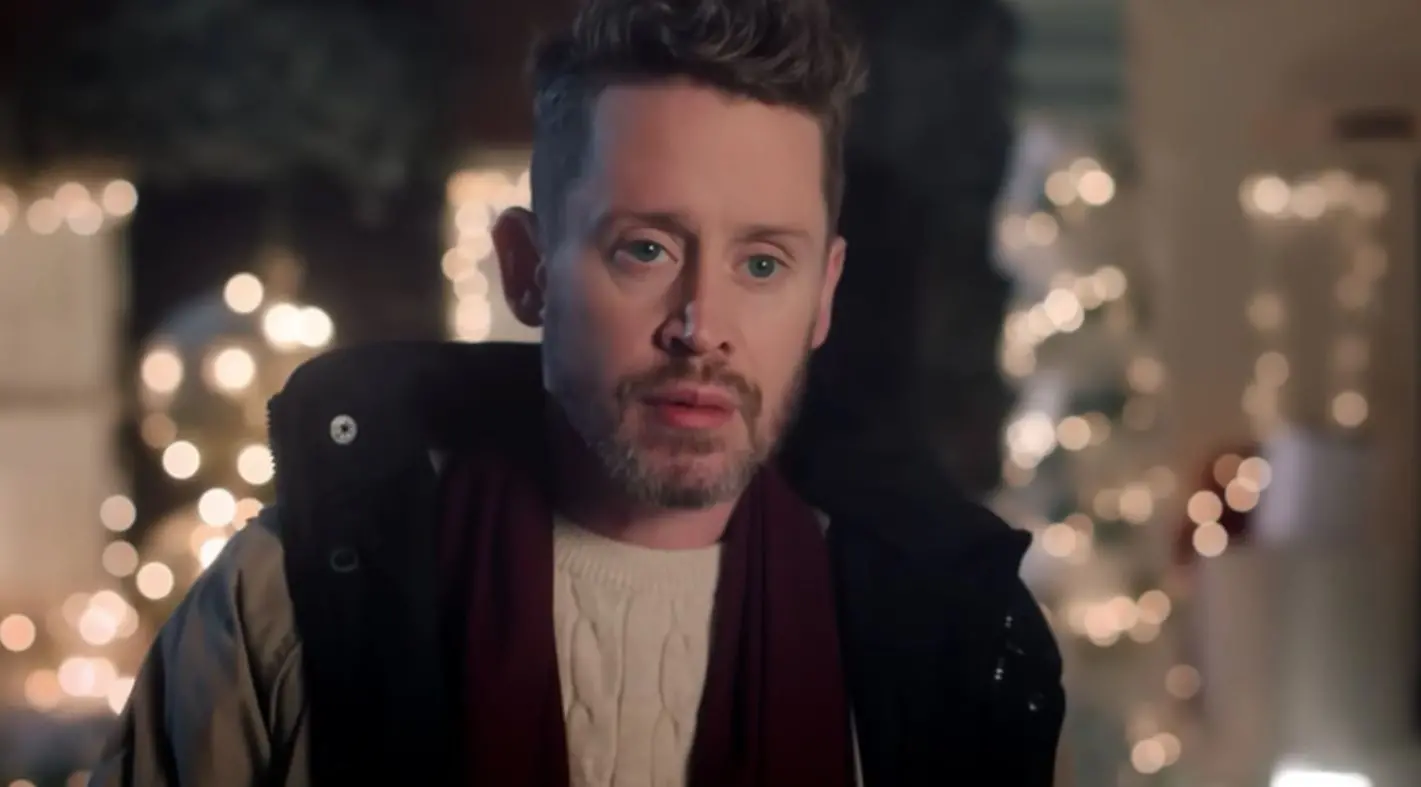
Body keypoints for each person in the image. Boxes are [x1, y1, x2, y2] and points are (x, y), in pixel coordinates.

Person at [92, 0, 1065, 784]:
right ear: (526, 269)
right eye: (645, 249)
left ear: (824, 296)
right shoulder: (296, 599)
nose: (701, 325)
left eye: (763, 263)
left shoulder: (938, 638)